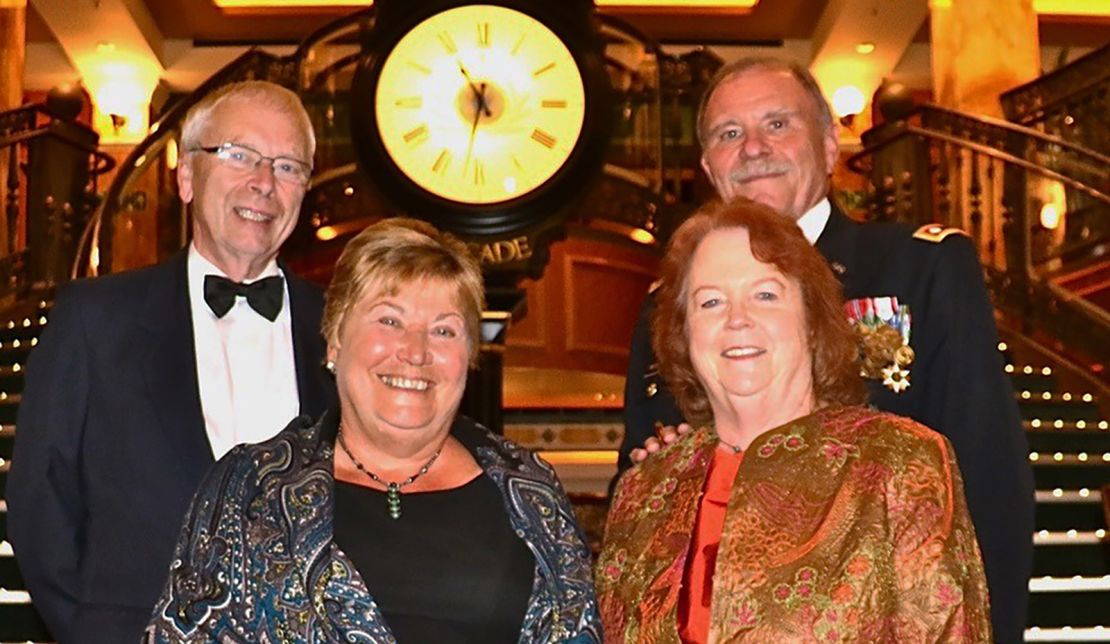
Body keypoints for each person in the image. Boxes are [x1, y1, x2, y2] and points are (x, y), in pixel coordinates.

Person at [619, 57, 1033, 642]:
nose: (753, 148)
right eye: (729, 134)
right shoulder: (671, 301)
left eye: (777, 124)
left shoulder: (922, 266)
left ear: (829, 144)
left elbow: (990, 484)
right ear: (709, 166)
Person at [144, 218, 602, 642]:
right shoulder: (251, 488)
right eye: (390, 320)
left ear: (469, 356)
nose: (416, 352)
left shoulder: (531, 491)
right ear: (336, 338)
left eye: (444, 331)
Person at [6, 81, 334, 643]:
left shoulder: (344, 329)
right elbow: (39, 501)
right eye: (239, 155)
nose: (263, 183)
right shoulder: (93, 320)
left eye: (287, 166)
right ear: (185, 176)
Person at [599, 198, 991, 642]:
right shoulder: (643, 492)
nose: (737, 320)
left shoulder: (897, 464)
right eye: (710, 303)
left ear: (810, 319)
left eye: (765, 294)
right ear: (683, 333)